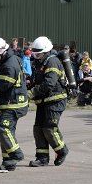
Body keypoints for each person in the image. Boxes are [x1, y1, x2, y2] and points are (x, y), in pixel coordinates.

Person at [0, 37, 29, 171]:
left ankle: (16, 154)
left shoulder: (9, 64)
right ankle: (8, 161)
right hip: (11, 102)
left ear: (2, 52)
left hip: (14, 104)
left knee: (2, 128)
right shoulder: (9, 60)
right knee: (7, 130)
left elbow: (4, 85)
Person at [27, 36, 69, 167]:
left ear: (46, 51)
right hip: (43, 101)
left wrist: (32, 92)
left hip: (55, 100)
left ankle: (62, 150)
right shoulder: (40, 62)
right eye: (35, 53)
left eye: (38, 53)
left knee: (49, 128)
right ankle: (42, 158)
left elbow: (49, 83)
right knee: (38, 129)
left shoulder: (52, 62)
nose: (36, 56)